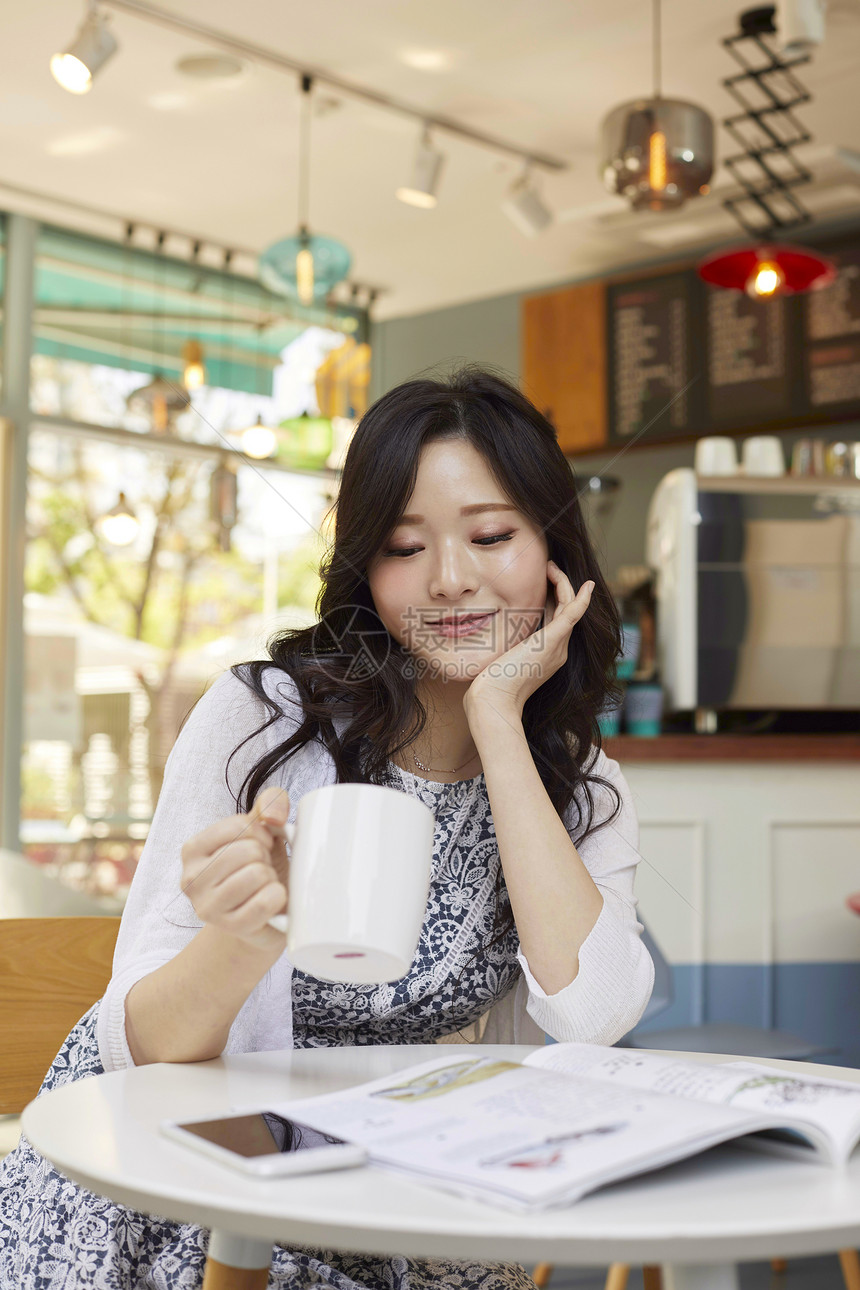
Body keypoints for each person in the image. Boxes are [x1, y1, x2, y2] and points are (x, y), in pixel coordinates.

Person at [0, 366, 654, 1288]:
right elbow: (140, 1048)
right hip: (185, 1187)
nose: (452, 580)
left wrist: (499, 719)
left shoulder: (584, 793)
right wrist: (246, 937)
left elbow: (592, 1013)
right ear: (364, 566)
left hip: (388, 1192)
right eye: (403, 545)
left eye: (492, 535)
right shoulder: (261, 724)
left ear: (553, 546)